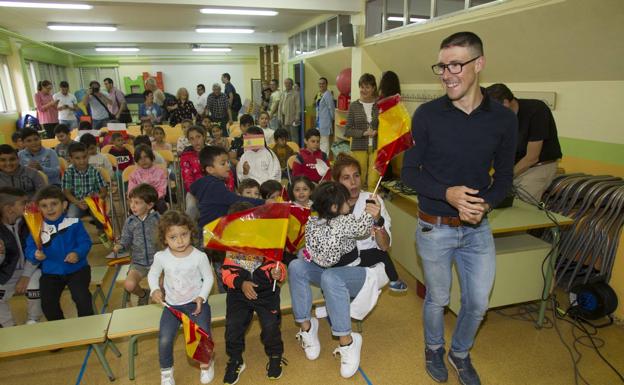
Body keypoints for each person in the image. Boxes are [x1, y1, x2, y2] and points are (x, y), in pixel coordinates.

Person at [401, 32, 517, 385]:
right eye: (442, 66)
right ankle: (434, 348)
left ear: (478, 64)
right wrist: (447, 193)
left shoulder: (503, 119)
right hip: (434, 227)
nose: (447, 74)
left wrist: (483, 205)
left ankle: (460, 353)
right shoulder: (426, 115)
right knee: (437, 298)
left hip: (476, 229)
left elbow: (505, 180)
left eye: (456, 65)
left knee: (478, 303)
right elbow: (408, 173)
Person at [288, 181, 388, 379]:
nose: (349, 204)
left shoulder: (314, 221)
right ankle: (307, 327)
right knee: (296, 267)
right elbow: (361, 227)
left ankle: (347, 341)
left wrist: (376, 217)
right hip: (329, 274)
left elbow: (319, 255)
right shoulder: (342, 221)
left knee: (329, 275)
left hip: (354, 275)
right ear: (334, 207)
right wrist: (371, 211)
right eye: (344, 201)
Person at [221, 201, 287, 384]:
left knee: (271, 327)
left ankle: (275, 355)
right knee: (233, 327)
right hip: (238, 293)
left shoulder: (267, 242)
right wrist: (241, 283)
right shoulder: (230, 247)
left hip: (266, 292)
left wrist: (277, 273)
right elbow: (226, 273)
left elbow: (279, 266)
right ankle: (235, 359)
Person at [148, 210, 215, 385]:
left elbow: (208, 278)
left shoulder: (199, 256)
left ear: (191, 233)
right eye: (173, 237)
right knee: (165, 339)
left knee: (202, 334)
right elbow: (153, 275)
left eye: (184, 235)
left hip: (195, 304)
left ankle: (206, 365)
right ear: (164, 239)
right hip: (172, 307)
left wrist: (201, 297)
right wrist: (154, 289)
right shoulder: (161, 257)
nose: (179, 241)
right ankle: (166, 373)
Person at [333, 153, 407, 291]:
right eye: (346, 178)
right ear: (337, 182)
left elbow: (384, 247)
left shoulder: (373, 200)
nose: (353, 182)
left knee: (334, 282)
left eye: (356, 175)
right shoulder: (331, 203)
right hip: (341, 263)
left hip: (367, 267)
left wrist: (378, 220)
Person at [25, 185, 93, 321]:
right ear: (39, 209)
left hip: (77, 270)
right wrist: (35, 254)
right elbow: (29, 248)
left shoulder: (74, 223)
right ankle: (60, 329)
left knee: (82, 297)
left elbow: (85, 242)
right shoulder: (36, 227)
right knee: (48, 303)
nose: (49, 209)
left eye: (54, 204)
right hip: (51, 273)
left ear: (64, 205)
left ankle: (89, 326)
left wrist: (77, 253)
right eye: (44, 206)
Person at [485, 83, 562, 201]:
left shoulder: (536, 109)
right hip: (511, 167)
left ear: (505, 103)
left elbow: (532, 158)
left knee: (522, 206)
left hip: (537, 167)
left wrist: (502, 178)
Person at [190, 146, 264, 230]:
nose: (228, 166)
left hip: (209, 230)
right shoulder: (214, 185)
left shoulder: (208, 183)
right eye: (223, 164)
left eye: (228, 162)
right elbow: (234, 200)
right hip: (211, 233)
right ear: (210, 169)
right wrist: (264, 202)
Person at [0, 187, 42, 327]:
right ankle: (8, 326)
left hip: (32, 269)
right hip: (6, 274)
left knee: (34, 286)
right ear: (9, 209)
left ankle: (33, 320)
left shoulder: (31, 222)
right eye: (23, 203)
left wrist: (25, 276)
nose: (28, 205)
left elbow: (37, 250)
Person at [113, 183, 160, 306]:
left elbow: (166, 236)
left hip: (158, 262)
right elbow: (126, 239)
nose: (132, 206)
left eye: (137, 203)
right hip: (138, 263)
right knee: (129, 285)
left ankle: (165, 302)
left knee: (163, 285)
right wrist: (121, 245)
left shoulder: (158, 219)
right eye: (131, 202)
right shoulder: (130, 221)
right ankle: (143, 294)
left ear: (149, 205)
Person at [61, 143, 107, 234]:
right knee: (71, 217)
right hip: (77, 202)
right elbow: (67, 192)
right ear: (70, 159)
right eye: (77, 158)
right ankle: (75, 236)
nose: (82, 161)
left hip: (93, 201)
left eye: (84, 157)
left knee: (100, 215)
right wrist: (77, 202)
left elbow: (104, 192)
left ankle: (101, 231)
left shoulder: (94, 171)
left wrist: (98, 196)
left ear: (88, 156)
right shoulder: (68, 173)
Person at [344, 73, 379, 191]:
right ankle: (358, 205)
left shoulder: (379, 105)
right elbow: (347, 130)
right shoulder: (354, 106)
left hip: (376, 147)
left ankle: (371, 206)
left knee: (373, 180)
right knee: (359, 178)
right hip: (358, 147)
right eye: (362, 87)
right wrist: (363, 133)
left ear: (373, 88)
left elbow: (384, 125)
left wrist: (376, 131)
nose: (364, 90)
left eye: (367, 87)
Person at [128, 145, 168, 213]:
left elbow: (162, 190)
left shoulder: (160, 172)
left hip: (156, 200)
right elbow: (131, 192)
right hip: (140, 200)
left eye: (146, 157)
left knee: (162, 206)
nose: (143, 160)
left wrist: (150, 199)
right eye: (140, 158)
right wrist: (142, 200)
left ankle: (163, 223)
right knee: (132, 210)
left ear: (151, 157)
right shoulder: (134, 175)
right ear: (137, 161)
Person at [180, 125, 208, 220]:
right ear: (189, 141)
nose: (196, 141)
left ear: (203, 136)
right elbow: (188, 179)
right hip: (194, 191)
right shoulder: (186, 156)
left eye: (198, 137)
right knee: (191, 207)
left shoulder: (212, 153)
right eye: (192, 139)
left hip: (212, 188)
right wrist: (197, 192)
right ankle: (188, 231)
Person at [316, 77, 336, 155]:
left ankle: (324, 161)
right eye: (320, 84)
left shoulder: (328, 95)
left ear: (326, 85)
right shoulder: (320, 94)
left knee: (324, 144)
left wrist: (331, 120)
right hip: (319, 123)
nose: (321, 85)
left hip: (325, 123)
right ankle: (320, 160)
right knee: (320, 143)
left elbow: (332, 109)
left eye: (323, 83)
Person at [278, 78, 301, 145]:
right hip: (283, 118)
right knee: (286, 136)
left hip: (292, 119)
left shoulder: (295, 94)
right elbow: (280, 106)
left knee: (294, 137)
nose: (287, 84)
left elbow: (298, 106)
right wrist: (279, 117)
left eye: (289, 83)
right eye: (286, 83)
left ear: (292, 84)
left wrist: (297, 117)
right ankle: (288, 151)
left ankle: (295, 151)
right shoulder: (283, 93)